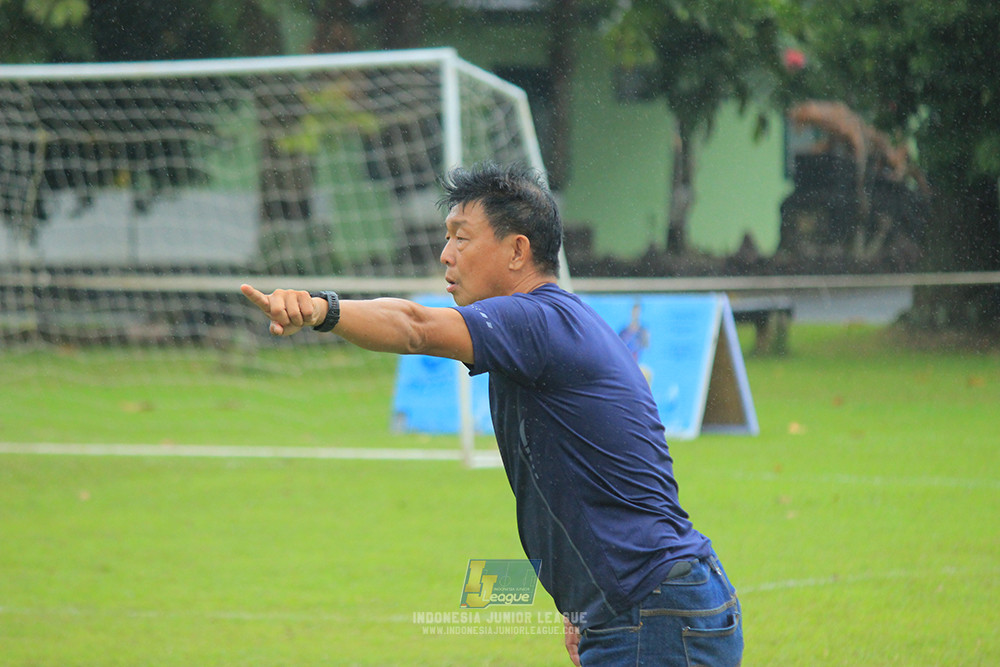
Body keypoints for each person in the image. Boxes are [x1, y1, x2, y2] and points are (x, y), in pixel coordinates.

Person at [241, 162, 742, 666]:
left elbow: (413, 326)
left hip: (654, 612)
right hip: (653, 604)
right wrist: (584, 608)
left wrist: (322, 310)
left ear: (517, 250)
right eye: (447, 238)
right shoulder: (546, 324)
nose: (445, 254)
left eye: (462, 238)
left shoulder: (537, 320)